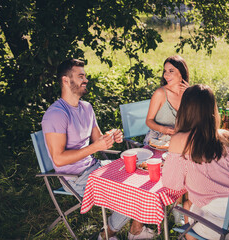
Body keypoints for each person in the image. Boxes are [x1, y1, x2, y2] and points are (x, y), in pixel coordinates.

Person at [41, 59, 155, 240]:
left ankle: (133, 229)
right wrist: (95, 147)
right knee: (133, 193)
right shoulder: (56, 114)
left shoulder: (86, 107)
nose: (85, 80)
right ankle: (109, 234)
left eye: (85, 76)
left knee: (142, 177)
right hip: (75, 178)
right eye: (80, 76)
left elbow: (98, 140)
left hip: (95, 166)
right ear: (65, 80)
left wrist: (112, 137)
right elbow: (59, 159)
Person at [162, 84, 229, 240]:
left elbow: (172, 184)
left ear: (185, 109)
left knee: (187, 204)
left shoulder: (180, 140)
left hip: (219, 228)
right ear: (213, 110)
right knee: (192, 201)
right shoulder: (223, 137)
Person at [143, 55, 190, 145]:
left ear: (181, 72)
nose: (166, 75)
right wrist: (163, 129)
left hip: (179, 140)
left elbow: (195, 120)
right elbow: (149, 121)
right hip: (157, 141)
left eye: (171, 71)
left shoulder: (189, 93)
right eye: (165, 71)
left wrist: (192, 96)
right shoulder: (160, 93)